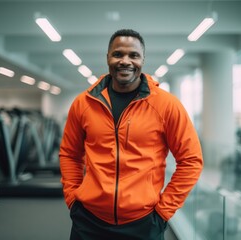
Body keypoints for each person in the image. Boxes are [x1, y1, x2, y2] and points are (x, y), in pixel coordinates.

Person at [59, 29, 203, 240]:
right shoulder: (83, 104)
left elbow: (191, 160)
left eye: (133, 55)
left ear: (142, 60)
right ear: (107, 57)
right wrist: (73, 198)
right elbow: (70, 154)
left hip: (144, 222)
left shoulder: (167, 105)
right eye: (118, 54)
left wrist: (163, 211)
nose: (125, 61)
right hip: (89, 221)